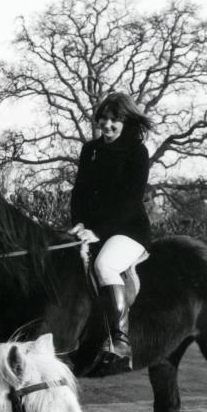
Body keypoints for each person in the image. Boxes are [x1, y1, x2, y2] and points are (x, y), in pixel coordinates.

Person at [68, 92, 153, 373]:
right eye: (103, 118)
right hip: (91, 229)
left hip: (128, 230)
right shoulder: (89, 150)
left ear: (126, 121)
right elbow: (79, 192)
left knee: (104, 265)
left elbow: (130, 203)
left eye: (114, 120)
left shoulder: (137, 152)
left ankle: (120, 341)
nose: (106, 125)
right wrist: (79, 223)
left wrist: (99, 232)